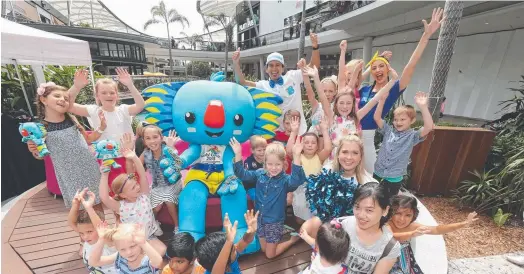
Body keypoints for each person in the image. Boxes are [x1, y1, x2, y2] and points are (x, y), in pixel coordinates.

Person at [358, 8, 445, 174]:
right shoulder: (364, 89)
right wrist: (372, 63)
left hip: (368, 136)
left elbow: (411, 65)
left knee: (369, 176)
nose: (377, 70)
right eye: (374, 68)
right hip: (351, 133)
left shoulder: (393, 88)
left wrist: (425, 36)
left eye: (381, 66)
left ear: (388, 68)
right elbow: (350, 83)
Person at [302, 65, 398, 167]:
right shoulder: (331, 116)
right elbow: (322, 96)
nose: (344, 106)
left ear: (353, 104)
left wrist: (392, 80)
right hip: (333, 161)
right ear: (336, 104)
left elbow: (376, 99)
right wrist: (316, 77)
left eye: (348, 103)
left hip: (350, 161)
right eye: (341, 103)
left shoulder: (356, 117)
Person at [28, 82, 101, 209]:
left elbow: (87, 140)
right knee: (82, 211)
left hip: (90, 168)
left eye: (66, 99)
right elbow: (40, 155)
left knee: (98, 205)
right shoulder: (40, 128)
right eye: (57, 96)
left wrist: (102, 128)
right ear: (43, 100)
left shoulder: (72, 119)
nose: (62, 99)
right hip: (70, 176)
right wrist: (34, 150)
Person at [232, 33, 321, 136]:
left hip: (298, 132)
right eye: (271, 65)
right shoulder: (263, 86)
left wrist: (315, 47)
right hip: (275, 134)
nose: (274, 69)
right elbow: (242, 83)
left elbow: (313, 67)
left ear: (282, 68)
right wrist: (235, 63)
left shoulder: (293, 76)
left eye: (277, 65)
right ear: (266, 69)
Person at [231, 138, 306, 259]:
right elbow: (242, 174)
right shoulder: (259, 173)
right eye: (270, 164)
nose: (273, 168)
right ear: (265, 163)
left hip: (274, 222)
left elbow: (296, 181)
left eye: (277, 164)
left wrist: (297, 156)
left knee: (270, 255)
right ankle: (278, 239)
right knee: (263, 249)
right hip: (260, 219)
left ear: (283, 163)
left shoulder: (285, 180)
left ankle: (293, 240)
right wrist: (238, 154)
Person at [301, 182, 401, 274]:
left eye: (369, 210)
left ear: (385, 210)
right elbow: (324, 249)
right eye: (357, 207)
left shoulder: (390, 247)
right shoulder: (340, 225)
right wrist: (320, 259)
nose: (361, 215)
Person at [68, 68, 145, 177]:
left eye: (112, 92)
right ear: (97, 96)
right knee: (110, 188)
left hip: (127, 157)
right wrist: (76, 87)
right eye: (103, 93)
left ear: (117, 95)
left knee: (130, 186)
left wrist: (130, 85)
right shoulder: (94, 111)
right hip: (106, 159)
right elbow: (69, 106)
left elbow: (140, 106)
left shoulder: (123, 110)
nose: (108, 95)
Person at [99, 146, 167, 255]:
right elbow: (104, 197)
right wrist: (104, 175)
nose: (137, 187)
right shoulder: (120, 206)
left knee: (162, 250)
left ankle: (142, 255)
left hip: (148, 236)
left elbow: (142, 175)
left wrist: (134, 157)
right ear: (123, 195)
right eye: (133, 188)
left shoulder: (144, 196)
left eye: (136, 184)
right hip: (130, 240)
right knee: (134, 254)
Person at [387, 195, 478, 274]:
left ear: (413, 216)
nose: (402, 219)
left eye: (408, 215)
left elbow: (437, 229)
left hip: (405, 260)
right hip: (386, 259)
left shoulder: (413, 226)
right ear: (391, 212)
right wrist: (412, 234)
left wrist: (463, 224)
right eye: (398, 213)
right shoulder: (386, 224)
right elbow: (392, 237)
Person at [373, 92, 434, 201]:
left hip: (394, 177)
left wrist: (423, 107)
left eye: (402, 119)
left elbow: (429, 127)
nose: (398, 122)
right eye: (396, 119)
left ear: (412, 120)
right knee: (374, 199)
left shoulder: (412, 136)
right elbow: (377, 118)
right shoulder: (388, 131)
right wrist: (381, 102)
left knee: (389, 202)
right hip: (378, 172)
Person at [305, 135, 377, 222]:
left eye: (355, 153)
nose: (349, 157)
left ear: (361, 156)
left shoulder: (368, 184)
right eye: (345, 152)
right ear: (338, 154)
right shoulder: (327, 172)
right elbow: (315, 209)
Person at [287, 115, 332, 223]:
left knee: (314, 216)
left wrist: (324, 130)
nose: (310, 145)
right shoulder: (298, 156)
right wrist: (294, 132)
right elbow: (289, 150)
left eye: (313, 143)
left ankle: (311, 232)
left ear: (317, 146)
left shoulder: (319, 157)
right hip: (299, 190)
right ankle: (301, 232)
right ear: (301, 144)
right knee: (299, 217)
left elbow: (328, 148)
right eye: (306, 142)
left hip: (315, 191)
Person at [139, 125, 183, 233]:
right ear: (144, 141)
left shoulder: (167, 149)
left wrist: (172, 147)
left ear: (161, 137)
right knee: (155, 206)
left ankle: (177, 226)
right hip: (157, 185)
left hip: (172, 183)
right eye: (148, 138)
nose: (152, 141)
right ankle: (153, 224)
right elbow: (137, 166)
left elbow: (179, 163)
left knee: (168, 199)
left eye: (155, 137)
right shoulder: (146, 153)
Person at [68, 188, 117, 274]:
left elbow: (98, 226)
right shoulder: (89, 239)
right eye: (81, 233)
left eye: (89, 232)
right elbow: (72, 223)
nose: (85, 236)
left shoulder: (107, 241)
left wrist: (89, 208)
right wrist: (75, 204)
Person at [89, 223, 164, 274]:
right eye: (122, 249)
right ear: (117, 249)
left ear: (139, 244)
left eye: (132, 246)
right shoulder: (120, 257)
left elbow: (158, 262)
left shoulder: (147, 259)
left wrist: (143, 243)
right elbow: (94, 262)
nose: (128, 252)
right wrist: (101, 239)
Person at [243, 135, 267, 201]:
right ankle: (259, 210)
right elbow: (246, 178)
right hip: (252, 187)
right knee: (257, 197)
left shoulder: (268, 159)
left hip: (265, 185)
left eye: (264, 149)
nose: (262, 152)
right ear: (252, 150)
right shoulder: (248, 162)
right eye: (259, 150)